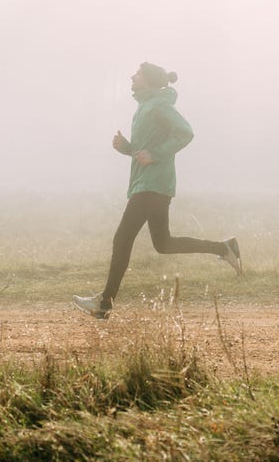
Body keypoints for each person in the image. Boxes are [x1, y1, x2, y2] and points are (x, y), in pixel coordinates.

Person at [74, 62, 242, 319]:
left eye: (137, 74)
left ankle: (104, 303)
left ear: (148, 80)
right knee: (163, 243)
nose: (132, 76)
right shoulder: (144, 107)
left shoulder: (159, 106)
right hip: (150, 184)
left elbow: (185, 133)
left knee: (122, 238)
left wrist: (156, 154)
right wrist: (127, 148)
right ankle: (224, 248)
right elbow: (144, 150)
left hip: (153, 185)